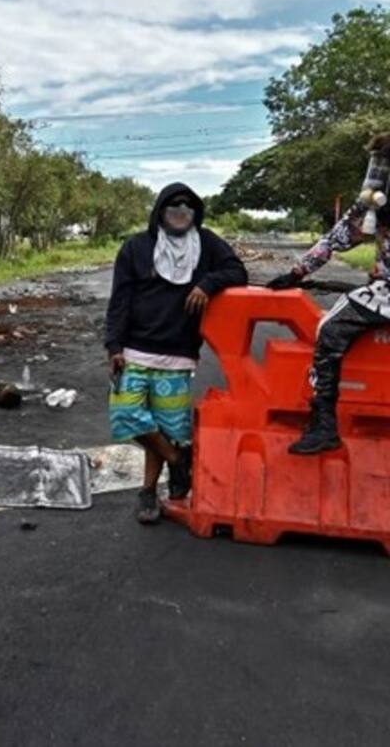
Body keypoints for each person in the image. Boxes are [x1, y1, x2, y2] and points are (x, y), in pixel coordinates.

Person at [105, 183, 248, 524]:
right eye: (173, 208)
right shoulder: (137, 247)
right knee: (126, 415)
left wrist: (207, 284)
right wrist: (114, 346)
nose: (181, 214)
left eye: (187, 208)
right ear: (160, 212)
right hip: (135, 350)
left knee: (167, 427)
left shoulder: (207, 243)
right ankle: (177, 461)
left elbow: (237, 271)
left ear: (195, 213)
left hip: (179, 353)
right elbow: (120, 300)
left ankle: (148, 493)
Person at [266, 133, 390, 455]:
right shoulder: (373, 207)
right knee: (333, 326)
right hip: (385, 291)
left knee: (330, 329)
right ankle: (324, 425)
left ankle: (324, 425)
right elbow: (337, 237)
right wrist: (297, 273)